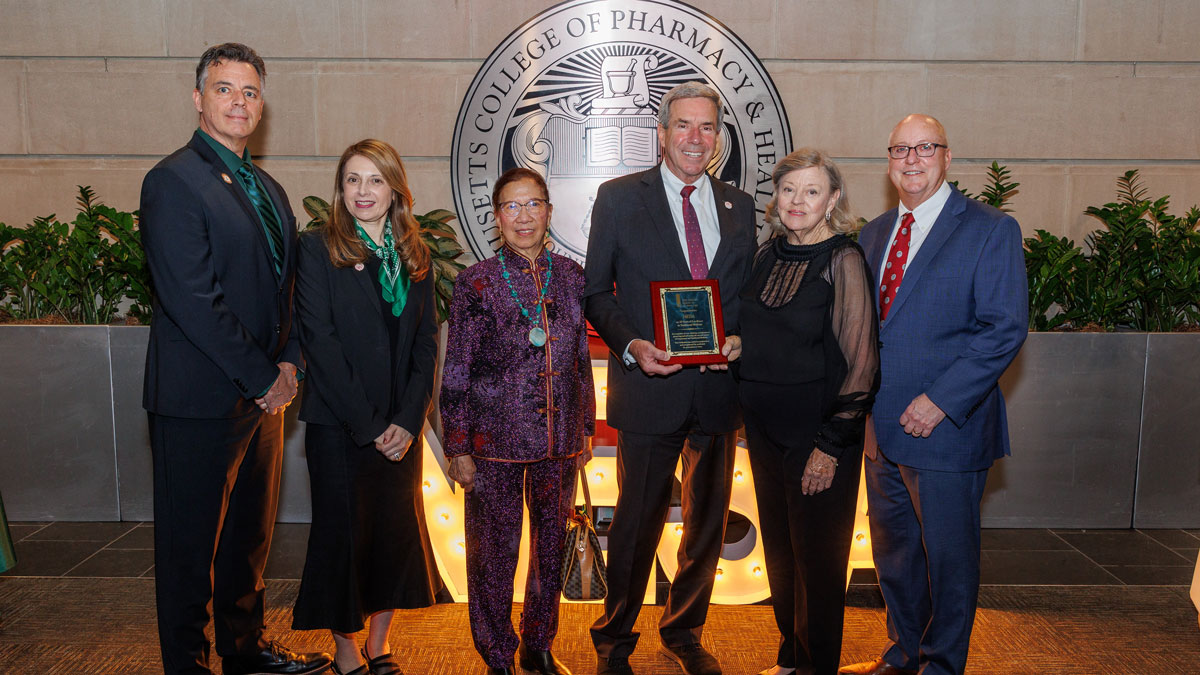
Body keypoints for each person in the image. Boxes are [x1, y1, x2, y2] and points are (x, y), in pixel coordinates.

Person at [140, 43, 332, 674]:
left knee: (248, 538)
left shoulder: (268, 187)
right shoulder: (172, 180)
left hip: (263, 396)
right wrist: (262, 376)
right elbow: (193, 299)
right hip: (199, 400)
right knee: (190, 549)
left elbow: (287, 289)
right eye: (224, 89)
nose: (238, 102)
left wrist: (290, 363)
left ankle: (244, 652)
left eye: (250, 92)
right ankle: (188, 665)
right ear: (199, 98)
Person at [838, 115, 1028, 675]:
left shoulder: (990, 228)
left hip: (947, 429)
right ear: (888, 161)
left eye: (925, 147)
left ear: (947, 157)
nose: (912, 159)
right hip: (881, 430)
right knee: (894, 557)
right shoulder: (873, 234)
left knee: (949, 561)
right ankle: (903, 655)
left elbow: (1004, 329)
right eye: (900, 149)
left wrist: (941, 400)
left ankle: (942, 666)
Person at [584, 81, 757, 675]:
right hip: (648, 386)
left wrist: (738, 339)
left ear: (719, 137)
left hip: (717, 390)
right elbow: (595, 293)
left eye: (706, 127)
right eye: (683, 125)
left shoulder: (739, 205)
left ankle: (683, 632)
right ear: (662, 133)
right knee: (636, 523)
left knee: (706, 525)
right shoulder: (618, 198)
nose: (694, 137)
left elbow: (746, 297)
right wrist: (633, 346)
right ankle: (614, 639)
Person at [290, 139, 443, 675]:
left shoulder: (415, 254)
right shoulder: (317, 248)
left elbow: (426, 343)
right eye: (353, 179)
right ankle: (346, 650)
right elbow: (321, 344)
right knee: (343, 540)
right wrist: (372, 426)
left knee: (392, 538)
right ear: (340, 188)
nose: (363, 191)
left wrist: (409, 419)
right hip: (342, 426)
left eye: (375, 180)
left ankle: (379, 645)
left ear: (394, 189)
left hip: (401, 428)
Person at [440, 168, 595, 675]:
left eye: (533, 204)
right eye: (512, 206)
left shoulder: (571, 276)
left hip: (559, 439)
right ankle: (497, 654)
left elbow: (579, 359)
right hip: (493, 443)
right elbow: (456, 369)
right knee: (493, 556)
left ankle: (538, 643)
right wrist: (457, 446)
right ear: (497, 217)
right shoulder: (476, 282)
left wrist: (585, 428)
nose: (523, 216)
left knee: (550, 549)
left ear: (549, 211)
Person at [736, 149, 879, 675]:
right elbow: (764, 336)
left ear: (832, 199)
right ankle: (791, 656)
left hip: (817, 436)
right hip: (763, 433)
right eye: (789, 189)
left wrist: (830, 445)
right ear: (776, 197)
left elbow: (862, 363)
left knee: (818, 562)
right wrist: (734, 346)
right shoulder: (765, 255)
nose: (798, 201)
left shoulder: (844, 260)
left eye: (812, 191)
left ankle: (817, 666)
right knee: (780, 554)